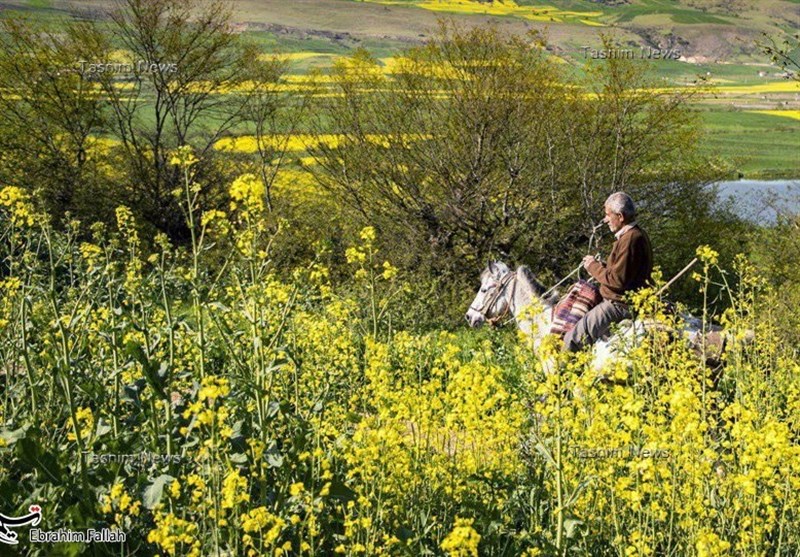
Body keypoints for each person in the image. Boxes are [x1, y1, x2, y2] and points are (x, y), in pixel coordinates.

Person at [563, 192, 653, 352]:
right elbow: (625, 272)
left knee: (573, 340)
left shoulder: (631, 239)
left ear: (620, 216)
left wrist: (593, 267)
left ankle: (562, 368)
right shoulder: (634, 235)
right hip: (622, 301)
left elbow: (617, 281)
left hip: (620, 305)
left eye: (608, 215)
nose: (605, 220)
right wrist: (601, 266)